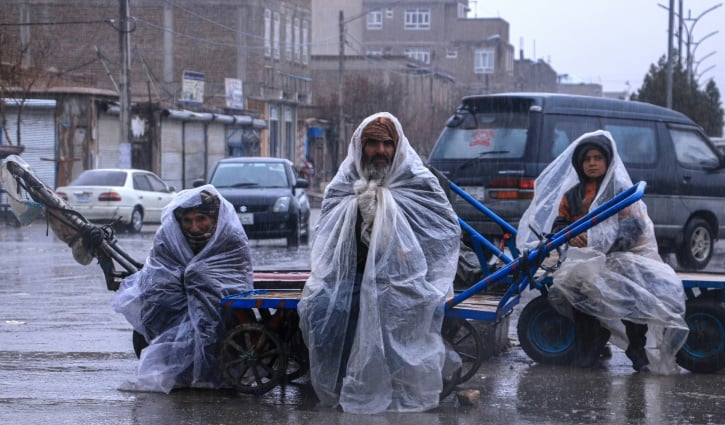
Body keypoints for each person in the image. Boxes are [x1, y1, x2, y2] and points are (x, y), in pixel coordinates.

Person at [297, 112, 461, 413]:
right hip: (353, 276)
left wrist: (407, 250)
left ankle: (393, 381)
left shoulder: (419, 183)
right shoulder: (344, 183)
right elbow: (326, 238)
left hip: (407, 278)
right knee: (323, 309)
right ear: (360, 147)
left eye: (387, 143)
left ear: (397, 146)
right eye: (372, 143)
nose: (380, 151)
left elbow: (443, 235)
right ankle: (341, 381)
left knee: (392, 307)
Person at [516, 130, 689, 374]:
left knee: (633, 295)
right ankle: (591, 343)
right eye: (587, 159)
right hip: (584, 261)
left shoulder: (620, 191)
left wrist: (602, 244)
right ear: (580, 164)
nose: (592, 163)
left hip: (621, 257)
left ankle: (636, 349)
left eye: (598, 158)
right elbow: (560, 224)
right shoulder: (573, 195)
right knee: (579, 291)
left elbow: (634, 227)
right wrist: (570, 236)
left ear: (607, 161)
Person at [111, 185, 253, 393]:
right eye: (187, 221)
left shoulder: (230, 236)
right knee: (156, 301)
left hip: (218, 295)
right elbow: (158, 270)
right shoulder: (168, 235)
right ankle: (178, 370)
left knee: (213, 313)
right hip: (177, 293)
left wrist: (197, 277)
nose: (194, 227)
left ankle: (210, 369)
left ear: (214, 219)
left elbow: (236, 273)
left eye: (201, 220)